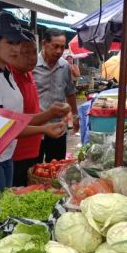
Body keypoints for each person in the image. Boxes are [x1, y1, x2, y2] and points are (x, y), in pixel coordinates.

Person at [0, 13, 66, 226]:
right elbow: (1, 128)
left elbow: (15, 119)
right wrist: (44, 129)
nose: (16, 48)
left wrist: (47, 116)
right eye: (9, 42)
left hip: (3, 155)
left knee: (5, 213)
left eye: (17, 42)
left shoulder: (4, 71)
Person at [8, 30, 70, 187]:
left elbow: (70, 91)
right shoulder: (11, 76)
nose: (32, 57)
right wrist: (46, 120)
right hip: (23, 143)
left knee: (52, 174)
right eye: (26, 53)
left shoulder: (63, 67)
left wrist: (72, 113)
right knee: (25, 182)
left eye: (34, 52)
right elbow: (14, 122)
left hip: (53, 129)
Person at [34, 28, 78, 162]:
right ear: (44, 43)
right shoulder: (32, 66)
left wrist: (75, 117)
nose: (59, 51)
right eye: (55, 46)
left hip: (58, 128)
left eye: (62, 47)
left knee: (56, 169)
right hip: (37, 129)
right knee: (34, 169)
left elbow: (70, 92)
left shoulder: (65, 66)